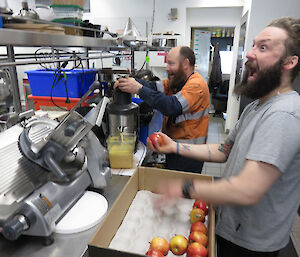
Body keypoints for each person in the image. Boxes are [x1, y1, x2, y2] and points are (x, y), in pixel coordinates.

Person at [147, 17, 300, 257]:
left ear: (290, 62)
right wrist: (175, 147)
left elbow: (247, 189)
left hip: (250, 243)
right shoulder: (256, 107)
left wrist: (184, 188)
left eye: (263, 47)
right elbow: (224, 150)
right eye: (253, 45)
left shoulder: (284, 114)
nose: (249, 54)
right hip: (232, 227)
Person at [114, 46, 210, 173]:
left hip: (190, 154)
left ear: (185, 63)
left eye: (171, 63)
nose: (167, 68)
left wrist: (139, 89)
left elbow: (172, 106)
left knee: (182, 190)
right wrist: (129, 82)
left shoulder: (197, 84)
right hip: (176, 148)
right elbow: (153, 86)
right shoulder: (178, 82)